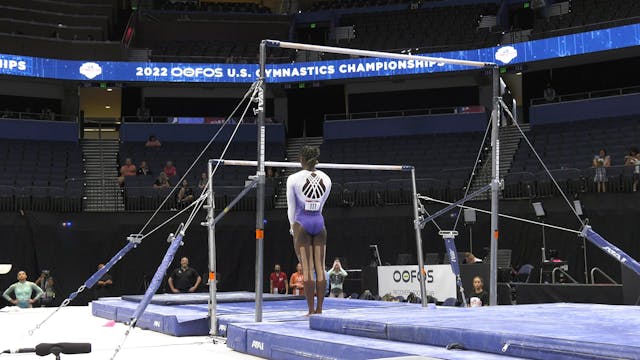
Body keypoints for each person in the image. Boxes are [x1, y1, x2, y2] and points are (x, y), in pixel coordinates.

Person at [287, 146, 332, 315]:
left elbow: (291, 208)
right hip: (319, 222)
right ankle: (320, 309)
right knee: (320, 267)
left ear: (301, 159)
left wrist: (293, 228)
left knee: (307, 268)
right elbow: (322, 204)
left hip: (302, 222)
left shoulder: (293, 178)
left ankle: (311, 310)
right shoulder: (326, 178)